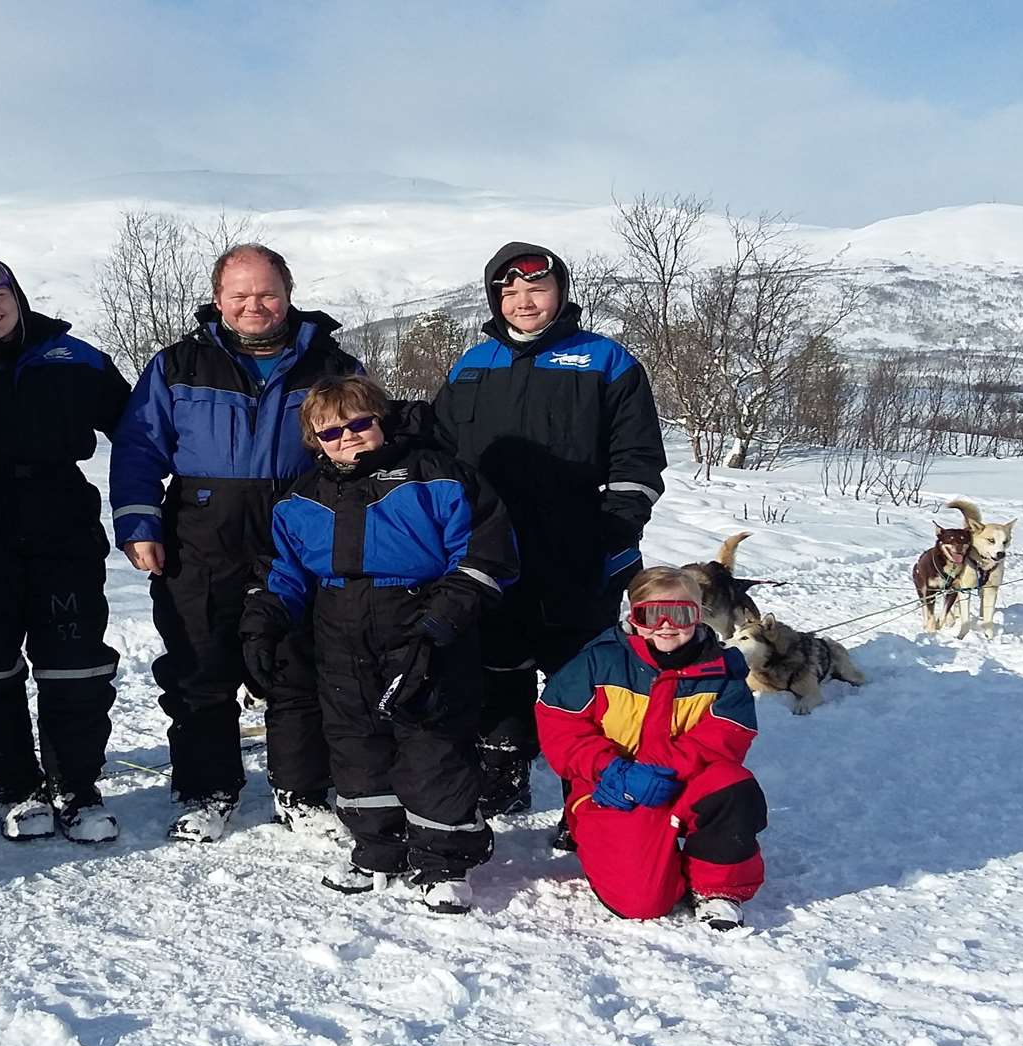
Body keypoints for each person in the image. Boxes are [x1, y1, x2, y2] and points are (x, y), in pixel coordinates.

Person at [111, 244, 361, 842]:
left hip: (300, 530)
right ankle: (208, 789)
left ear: (289, 292)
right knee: (200, 666)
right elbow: (140, 446)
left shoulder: (331, 365)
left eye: (267, 293)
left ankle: (301, 791)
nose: (255, 306)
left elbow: (365, 448)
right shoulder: (178, 366)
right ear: (218, 299)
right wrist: (138, 523)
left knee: (299, 664)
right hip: (201, 532)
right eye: (240, 295)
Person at [242, 376, 517, 914]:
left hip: (423, 621)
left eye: (358, 424)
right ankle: (378, 846)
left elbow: (486, 555)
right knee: (355, 740)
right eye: (330, 432)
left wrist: (442, 622)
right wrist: (261, 624)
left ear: (380, 421)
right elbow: (282, 570)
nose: (346, 437)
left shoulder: (437, 476)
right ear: (313, 441)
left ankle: (443, 859)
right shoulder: (300, 498)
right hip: (338, 627)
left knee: (431, 739)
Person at [432, 242, 668, 828]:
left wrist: (614, 534)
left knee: (582, 674)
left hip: (577, 548)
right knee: (497, 665)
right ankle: (503, 772)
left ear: (559, 291)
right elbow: (438, 453)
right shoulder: (472, 366)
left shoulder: (606, 362)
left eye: (535, 288)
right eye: (508, 291)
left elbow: (637, 461)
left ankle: (586, 796)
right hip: (491, 546)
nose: (523, 300)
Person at [0, 255, 131, 843]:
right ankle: (16, 785)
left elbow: (142, 432)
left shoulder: (73, 357)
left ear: (17, 297)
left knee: (77, 665)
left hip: (60, 526)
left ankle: (76, 786)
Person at [534, 567, 767, 929]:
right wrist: (609, 769)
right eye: (650, 615)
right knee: (643, 902)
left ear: (699, 613)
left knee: (731, 784)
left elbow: (726, 736)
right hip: (612, 789)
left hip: (686, 781)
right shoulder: (599, 661)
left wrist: (664, 768)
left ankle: (718, 888)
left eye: (680, 614)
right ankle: (654, 860)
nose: (665, 625)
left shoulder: (720, 671)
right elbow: (561, 726)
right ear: (633, 616)